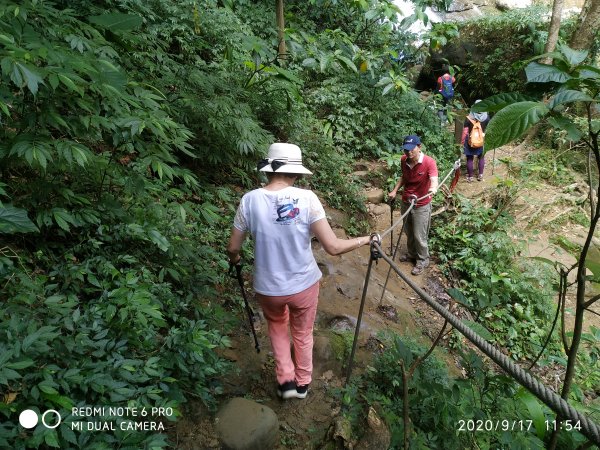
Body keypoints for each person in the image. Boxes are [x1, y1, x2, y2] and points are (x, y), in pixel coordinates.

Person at [227, 142, 370, 400]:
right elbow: (333, 247)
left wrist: (235, 260)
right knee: (302, 333)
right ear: (295, 174)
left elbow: (232, 247)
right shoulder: (307, 199)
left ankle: (286, 380)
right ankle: (302, 384)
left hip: (268, 287)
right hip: (303, 284)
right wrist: (367, 239)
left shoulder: (249, 200)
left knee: (277, 328)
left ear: (269, 171)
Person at [388, 135, 439, 276]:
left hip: (421, 203)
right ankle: (411, 254)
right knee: (408, 231)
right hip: (406, 201)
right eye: (406, 149)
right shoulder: (404, 160)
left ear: (419, 147)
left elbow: (434, 178)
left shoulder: (429, 162)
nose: (408, 152)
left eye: (411, 149)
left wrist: (433, 188)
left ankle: (422, 259)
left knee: (419, 234)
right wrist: (394, 190)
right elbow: (404, 176)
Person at [461, 100, 490, 182]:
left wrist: (462, 142)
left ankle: (470, 177)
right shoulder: (487, 117)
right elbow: (489, 129)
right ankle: (480, 175)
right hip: (482, 140)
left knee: (469, 158)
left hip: (470, 140)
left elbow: (465, 131)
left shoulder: (469, 117)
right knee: (481, 157)